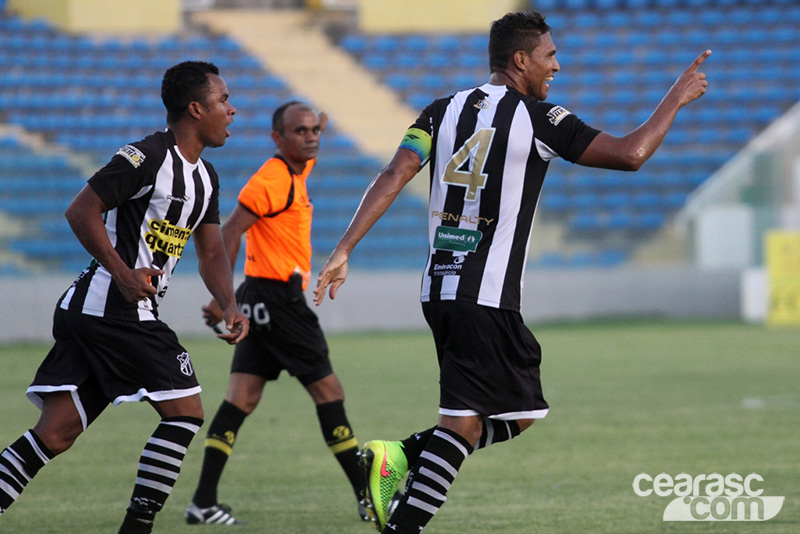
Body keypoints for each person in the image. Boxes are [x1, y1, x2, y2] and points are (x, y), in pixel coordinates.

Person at [314, 11, 710, 533]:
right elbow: (630, 154)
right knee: (461, 426)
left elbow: (395, 172)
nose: (557, 66)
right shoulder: (540, 117)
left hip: (440, 290)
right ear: (521, 60)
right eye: (549, 55)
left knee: (521, 412)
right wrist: (675, 98)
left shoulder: (439, 112)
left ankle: (403, 455)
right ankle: (402, 503)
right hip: (483, 295)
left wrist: (344, 248)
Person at [0, 61, 249, 533]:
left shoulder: (207, 178)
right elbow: (81, 210)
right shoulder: (147, 156)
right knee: (186, 411)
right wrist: (122, 273)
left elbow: (212, 250)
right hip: (114, 308)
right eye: (223, 100)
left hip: (94, 311)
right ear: (196, 109)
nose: (231, 110)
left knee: (55, 433)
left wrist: (229, 302)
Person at [184, 101, 374, 526]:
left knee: (241, 399)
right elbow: (230, 232)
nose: (310, 137)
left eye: (314, 130)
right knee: (329, 393)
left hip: (259, 298)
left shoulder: (297, 169)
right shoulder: (271, 178)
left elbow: (311, 137)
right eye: (299, 131)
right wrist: (222, 299)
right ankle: (367, 497)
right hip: (277, 302)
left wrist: (320, 120)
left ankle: (203, 502)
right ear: (277, 138)